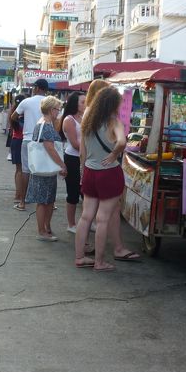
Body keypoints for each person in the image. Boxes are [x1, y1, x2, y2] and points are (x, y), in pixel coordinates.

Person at [75, 86, 141, 271]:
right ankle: (99, 262)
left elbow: (82, 152)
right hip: (109, 173)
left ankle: (80, 257)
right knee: (103, 218)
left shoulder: (87, 121)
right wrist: (113, 155)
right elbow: (122, 142)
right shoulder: (114, 123)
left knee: (86, 216)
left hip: (90, 171)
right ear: (114, 104)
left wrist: (83, 171)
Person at [24, 96, 67, 241]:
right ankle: (43, 230)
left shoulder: (42, 123)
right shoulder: (47, 126)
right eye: (57, 109)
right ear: (51, 109)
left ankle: (46, 228)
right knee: (44, 200)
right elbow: (50, 148)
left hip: (43, 168)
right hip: (46, 169)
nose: (59, 112)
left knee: (47, 200)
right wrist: (62, 164)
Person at [11, 78, 48, 211]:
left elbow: (13, 116)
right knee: (43, 171)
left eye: (34, 87)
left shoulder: (26, 102)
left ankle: (22, 202)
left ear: (37, 88)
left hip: (27, 139)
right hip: (44, 140)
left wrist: (24, 119)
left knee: (25, 171)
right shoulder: (49, 102)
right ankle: (47, 201)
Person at [60, 92, 86, 234]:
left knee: (86, 193)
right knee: (73, 193)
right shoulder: (69, 120)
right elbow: (75, 144)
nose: (85, 104)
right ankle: (71, 223)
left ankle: (87, 221)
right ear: (75, 103)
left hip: (86, 159)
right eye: (82, 102)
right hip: (73, 159)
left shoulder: (85, 117)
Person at [10, 94, 27, 209]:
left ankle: (17, 193)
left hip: (15, 141)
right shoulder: (24, 115)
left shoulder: (13, 113)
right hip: (23, 141)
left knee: (18, 170)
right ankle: (22, 195)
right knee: (24, 170)